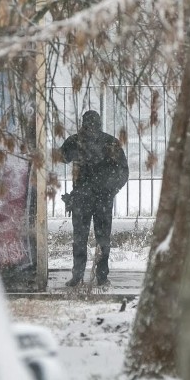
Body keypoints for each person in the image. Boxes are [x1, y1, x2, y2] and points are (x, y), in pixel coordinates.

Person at [59, 110, 128, 287]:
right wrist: (112, 189)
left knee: (80, 239)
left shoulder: (77, 141)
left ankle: (78, 276)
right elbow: (123, 172)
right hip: (101, 199)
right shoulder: (110, 142)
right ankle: (101, 277)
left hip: (83, 198)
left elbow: (61, 156)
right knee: (102, 239)